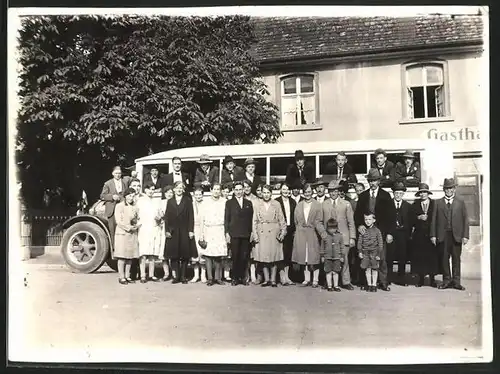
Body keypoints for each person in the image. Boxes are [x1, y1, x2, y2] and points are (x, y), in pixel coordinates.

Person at [354, 168, 396, 291]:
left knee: (381, 257)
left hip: (381, 231)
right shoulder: (363, 196)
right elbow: (357, 215)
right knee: (366, 257)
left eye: (375, 180)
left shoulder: (385, 195)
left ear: (379, 181)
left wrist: (389, 233)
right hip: (366, 233)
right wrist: (360, 225)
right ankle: (367, 282)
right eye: (370, 181)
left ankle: (383, 282)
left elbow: (391, 216)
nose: (372, 183)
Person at [430, 178, 470, 291]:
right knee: (444, 258)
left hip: (456, 235)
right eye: (447, 188)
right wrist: (433, 235)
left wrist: (465, 235)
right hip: (443, 235)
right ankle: (446, 280)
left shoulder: (460, 202)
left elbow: (465, 220)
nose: (449, 190)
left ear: (454, 189)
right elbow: (434, 220)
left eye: (451, 188)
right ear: (444, 189)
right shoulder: (438, 203)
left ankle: (456, 282)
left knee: (456, 258)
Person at [320, 180, 356, 290]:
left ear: (338, 191)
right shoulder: (323, 204)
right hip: (329, 238)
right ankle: (328, 282)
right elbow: (320, 221)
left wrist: (352, 237)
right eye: (331, 191)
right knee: (329, 260)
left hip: (343, 237)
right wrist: (323, 234)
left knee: (343, 260)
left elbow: (351, 222)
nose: (333, 193)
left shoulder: (346, 204)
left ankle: (346, 281)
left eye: (335, 191)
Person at [252, 185, 287, 287]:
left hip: (274, 231)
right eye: (264, 192)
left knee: (274, 257)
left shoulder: (276, 204)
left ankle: (273, 279)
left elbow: (282, 219)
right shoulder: (257, 205)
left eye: (268, 193)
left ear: (271, 193)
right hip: (262, 231)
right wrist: (255, 234)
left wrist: (282, 232)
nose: (266, 195)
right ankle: (266, 279)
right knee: (264, 257)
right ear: (261, 193)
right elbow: (254, 221)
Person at [164, 181, 198, 284]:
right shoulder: (170, 201)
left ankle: (183, 276)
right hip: (173, 231)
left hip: (184, 230)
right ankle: (176, 276)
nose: (179, 190)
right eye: (177, 188)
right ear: (174, 190)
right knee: (174, 255)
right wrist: (167, 231)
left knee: (184, 254)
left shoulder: (187, 201)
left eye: (181, 188)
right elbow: (167, 217)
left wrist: (191, 230)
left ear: (183, 190)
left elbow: (191, 216)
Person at [292, 183, 325, 288]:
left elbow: (319, 220)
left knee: (314, 256)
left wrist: (322, 232)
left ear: (312, 192)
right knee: (304, 257)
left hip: (313, 232)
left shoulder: (317, 205)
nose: (307, 194)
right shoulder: (299, 205)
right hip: (301, 233)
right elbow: (296, 221)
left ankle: (315, 279)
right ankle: (306, 279)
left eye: (309, 192)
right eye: (306, 192)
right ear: (303, 192)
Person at [225, 181, 254, 286]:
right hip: (234, 234)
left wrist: (251, 232)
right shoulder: (229, 203)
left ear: (243, 190)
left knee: (244, 256)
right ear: (233, 191)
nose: (238, 192)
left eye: (240, 190)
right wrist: (227, 233)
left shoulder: (248, 203)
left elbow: (251, 219)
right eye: (236, 190)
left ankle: (243, 277)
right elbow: (226, 219)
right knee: (235, 256)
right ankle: (235, 278)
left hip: (245, 234)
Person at [200, 183, 228, 286]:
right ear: (211, 190)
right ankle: (210, 278)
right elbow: (202, 219)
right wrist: (201, 234)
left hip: (220, 229)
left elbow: (227, 218)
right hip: (209, 229)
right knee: (208, 255)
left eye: (218, 189)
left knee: (218, 255)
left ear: (220, 191)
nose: (216, 191)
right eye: (214, 189)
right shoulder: (205, 203)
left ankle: (218, 277)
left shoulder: (225, 202)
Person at [411, 183, 438, 288]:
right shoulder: (415, 205)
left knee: (432, 257)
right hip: (419, 235)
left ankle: (432, 280)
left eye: (425, 192)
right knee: (420, 257)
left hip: (431, 234)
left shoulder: (434, 204)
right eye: (421, 192)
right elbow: (410, 219)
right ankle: (421, 279)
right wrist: (418, 218)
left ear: (428, 193)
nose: (423, 194)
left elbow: (437, 218)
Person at [137, 183, 164, 283]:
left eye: (153, 189)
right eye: (149, 189)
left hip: (153, 228)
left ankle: (152, 274)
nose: (151, 191)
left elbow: (160, 214)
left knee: (152, 253)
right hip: (143, 228)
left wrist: (160, 218)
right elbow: (136, 215)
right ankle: (143, 275)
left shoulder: (156, 202)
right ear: (145, 190)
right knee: (143, 253)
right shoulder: (140, 201)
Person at [387, 181, 413, 287]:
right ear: (393, 193)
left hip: (403, 234)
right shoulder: (388, 205)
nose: (398, 195)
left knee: (402, 256)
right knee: (390, 256)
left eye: (400, 193)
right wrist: (388, 233)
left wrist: (408, 234)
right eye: (396, 193)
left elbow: (410, 222)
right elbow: (385, 221)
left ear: (403, 194)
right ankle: (388, 277)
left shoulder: (407, 206)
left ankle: (401, 278)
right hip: (391, 234)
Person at [114, 188, 141, 285]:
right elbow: (118, 221)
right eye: (129, 195)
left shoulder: (135, 207)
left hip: (132, 234)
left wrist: (136, 225)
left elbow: (138, 218)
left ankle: (128, 276)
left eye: (133, 196)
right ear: (125, 196)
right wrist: (128, 228)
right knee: (122, 256)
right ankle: (121, 277)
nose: (131, 197)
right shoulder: (119, 206)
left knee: (130, 256)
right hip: (122, 233)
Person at [275, 183, 297, 286]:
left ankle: (287, 277)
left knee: (288, 254)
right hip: (280, 230)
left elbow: (295, 217)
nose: (286, 192)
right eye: (284, 189)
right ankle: (282, 276)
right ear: (281, 190)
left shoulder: (293, 202)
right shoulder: (277, 201)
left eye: (288, 190)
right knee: (281, 253)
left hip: (290, 230)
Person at [100, 166, 127, 246]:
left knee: (122, 228)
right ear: (112, 174)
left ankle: (122, 248)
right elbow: (102, 196)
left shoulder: (124, 183)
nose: (118, 175)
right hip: (112, 210)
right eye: (116, 173)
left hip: (123, 208)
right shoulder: (108, 183)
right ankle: (114, 249)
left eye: (119, 173)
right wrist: (112, 197)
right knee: (113, 230)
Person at [358, 212, 384, 292]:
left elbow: (380, 243)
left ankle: (374, 285)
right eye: (366, 219)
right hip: (365, 253)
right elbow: (359, 242)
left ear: (374, 220)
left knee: (374, 269)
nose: (367, 221)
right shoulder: (363, 230)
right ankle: (369, 284)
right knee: (367, 269)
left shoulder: (377, 231)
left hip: (374, 253)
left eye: (369, 219)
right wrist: (360, 251)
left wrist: (379, 253)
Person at [321, 218, 344, 292]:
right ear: (327, 228)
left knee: (335, 272)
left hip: (337, 258)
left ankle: (336, 286)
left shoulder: (340, 236)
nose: (332, 230)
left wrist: (342, 256)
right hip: (327, 258)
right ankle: (329, 286)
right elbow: (322, 247)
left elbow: (342, 247)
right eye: (330, 228)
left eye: (334, 228)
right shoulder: (325, 237)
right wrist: (322, 256)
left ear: (336, 228)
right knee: (328, 272)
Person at [190, 187, 207, 283]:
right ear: (193, 195)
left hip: (203, 229)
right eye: (196, 195)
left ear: (202, 195)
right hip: (194, 230)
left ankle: (203, 275)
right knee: (194, 253)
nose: (198, 196)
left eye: (200, 194)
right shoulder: (191, 205)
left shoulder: (206, 205)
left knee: (203, 252)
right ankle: (196, 275)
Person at [159, 185, 174, 281]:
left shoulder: (175, 202)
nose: (169, 194)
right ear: (164, 194)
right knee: (163, 252)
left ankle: (174, 273)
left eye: (171, 192)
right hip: (163, 228)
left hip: (173, 229)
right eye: (167, 192)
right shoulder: (161, 203)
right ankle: (166, 273)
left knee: (172, 252)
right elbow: (158, 215)